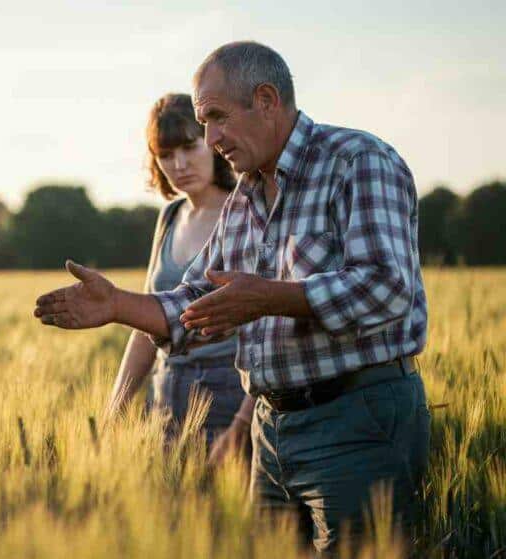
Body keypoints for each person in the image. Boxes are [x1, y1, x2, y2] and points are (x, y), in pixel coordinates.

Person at [33, 41, 429, 554]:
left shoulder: (357, 160)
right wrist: (117, 305)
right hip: (273, 430)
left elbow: (387, 286)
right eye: (204, 123)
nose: (210, 137)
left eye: (216, 117)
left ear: (266, 100)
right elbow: (196, 299)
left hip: (356, 418)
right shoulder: (245, 195)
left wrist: (268, 298)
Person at [105, 92, 252, 462]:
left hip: (229, 396)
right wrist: (115, 408)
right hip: (165, 397)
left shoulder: (249, 210)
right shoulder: (169, 217)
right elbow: (145, 321)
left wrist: (243, 424)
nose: (180, 164)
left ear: (214, 140)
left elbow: (272, 333)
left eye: (189, 146)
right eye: (165, 155)